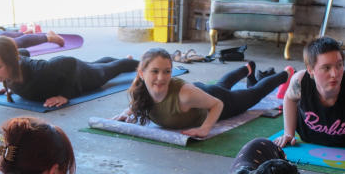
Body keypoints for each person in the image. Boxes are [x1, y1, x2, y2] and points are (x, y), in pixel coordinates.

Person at [116, 48, 292, 139]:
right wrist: (127, 113)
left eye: (167, 71)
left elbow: (217, 104)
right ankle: (247, 68)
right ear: (142, 74)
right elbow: (136, 104)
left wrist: (205, 128)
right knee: (222, 84)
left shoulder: (183, 94)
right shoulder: (139, 89)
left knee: (254, 93)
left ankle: (287, 74)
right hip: (202, 93)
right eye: (154, 71)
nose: (161, 78)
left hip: (221, 101)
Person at [274, 37, 345, 160]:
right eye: (326, 68)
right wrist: (288, 133)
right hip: (310, 136)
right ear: (310, 70)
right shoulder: (300, 81)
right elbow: (289, 97)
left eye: (339, 65)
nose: (335, 74)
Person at [0, 36, 139, 109]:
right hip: (67, 71)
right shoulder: (13, 69)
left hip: (80, 77)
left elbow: (69, 63)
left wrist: (64, 94)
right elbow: (23, 52)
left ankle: (143, 65)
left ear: (11, 62)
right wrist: (9, 83)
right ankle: (124, 59)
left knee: (108, 70)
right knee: (97, 64)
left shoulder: (41, 71)